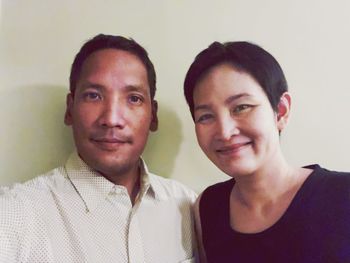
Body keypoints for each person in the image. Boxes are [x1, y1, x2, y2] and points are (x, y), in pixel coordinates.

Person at [0, 34, 197, 263]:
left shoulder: (187, 206)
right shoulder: (13, 215)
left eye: (133, 99)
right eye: (93, 96)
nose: (112, 119)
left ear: (153, 115)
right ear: (70, 109)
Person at [183, 41, 350, 262]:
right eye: (205, 116)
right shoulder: (207, 207)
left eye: (241, 107)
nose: (224, 131)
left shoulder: (341, 195)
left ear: (281, 111)